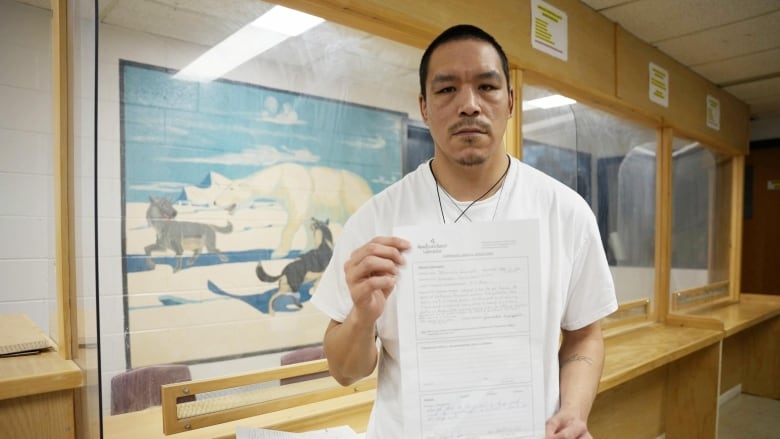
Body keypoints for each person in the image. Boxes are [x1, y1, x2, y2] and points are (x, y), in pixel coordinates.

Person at [310, 24, 618, 439]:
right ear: (424, 106)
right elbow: (345, 373)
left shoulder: (565, 212)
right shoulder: (375, 220)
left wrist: (574, 412)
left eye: (487, 87)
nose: (469, 105)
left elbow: (584, 336)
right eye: (446, 90)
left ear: (510, 101)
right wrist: (363, 318)